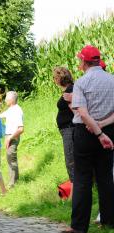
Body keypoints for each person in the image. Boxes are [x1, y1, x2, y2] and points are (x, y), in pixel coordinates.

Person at [62, 45, 114, 233]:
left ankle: (78, 226)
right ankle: (108, 223)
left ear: (84, 61)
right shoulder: (112, 80)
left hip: (86, 133)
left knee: (83, 178)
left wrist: (96, 131)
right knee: (105, 177)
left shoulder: (82, 83)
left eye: (79, 60)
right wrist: (102, 126)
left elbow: (82, 113)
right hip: (109, 131)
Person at [53, 67, 75, 198]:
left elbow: (76, 110)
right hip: (67, 130)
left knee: (71, 161)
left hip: (70, 130)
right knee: (71, 160)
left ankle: (74, 193)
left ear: (60, 78)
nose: (54, 80)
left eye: (55, 77)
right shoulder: (69, 90)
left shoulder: (71, 90)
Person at [0, 91, 24, 188]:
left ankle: (13, 184)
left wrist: (10, 137)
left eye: (6, 98)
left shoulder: (17, 111)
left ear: (11, 100)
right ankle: (13, 182)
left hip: (12, 137)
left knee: (11, 159)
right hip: (8, 137)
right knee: (9, 159)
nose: (5, 100)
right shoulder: (10, 109)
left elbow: (21, 129)